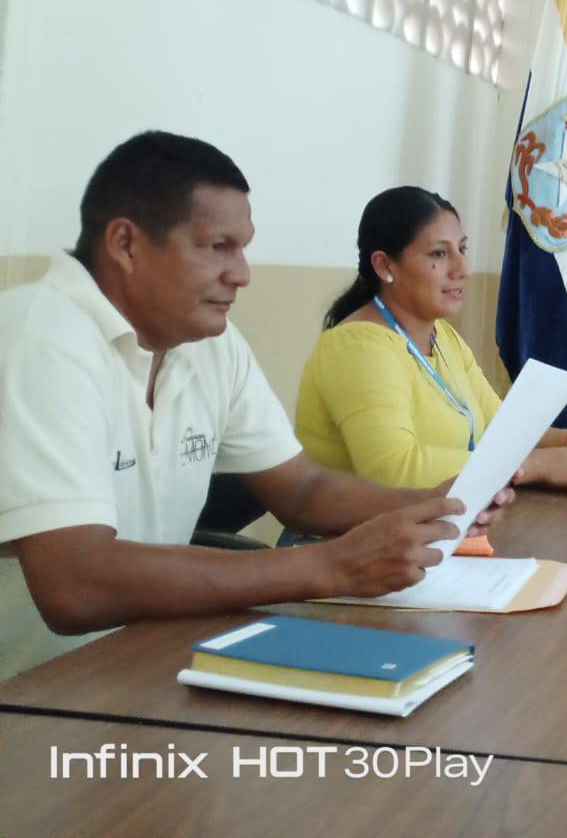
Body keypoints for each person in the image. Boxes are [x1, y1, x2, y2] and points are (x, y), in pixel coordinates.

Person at [0, 133, 511, 680]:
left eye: (242, 248)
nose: (242, 273)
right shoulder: (40, 338)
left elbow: (300, 488)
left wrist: (433, 504)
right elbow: (75, 583)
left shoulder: (209, 344)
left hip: (147, 658)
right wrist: (328, 566)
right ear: (126, 245)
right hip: (33, 690)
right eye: (217, 247)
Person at [296, 186, 567, 495]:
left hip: (434, 530)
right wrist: (539, 465)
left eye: (462, 249)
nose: (462, 269)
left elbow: (499, 428)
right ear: (384, 265)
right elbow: (393, 470)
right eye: (439, 254)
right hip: (351, 542)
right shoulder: (358, 347)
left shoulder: (442, 336)